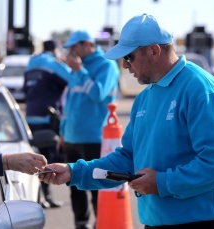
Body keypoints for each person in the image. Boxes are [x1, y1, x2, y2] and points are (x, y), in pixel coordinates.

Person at [40, 14, 214, 229]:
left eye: (129, 57)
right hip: (154, 222)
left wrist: (161, 182)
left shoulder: (201, 89)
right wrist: (74, 172)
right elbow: (128, 157)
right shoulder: (145, 97)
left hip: (205, 223)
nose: (124, 65)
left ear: (154, 50)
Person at [60, 30, 120, 229]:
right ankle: (81, 224)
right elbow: (68, 103)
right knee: (74, 186)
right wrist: (62, 130)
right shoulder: (77, 69)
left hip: (94, 137)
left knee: (96, 185)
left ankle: (100, 224)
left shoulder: (106, 65)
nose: (71, 52)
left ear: (87, 44)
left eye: (74, 47)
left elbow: (97, 94)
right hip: (71, 137)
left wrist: (80, 71)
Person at [23, 40, 71, 208]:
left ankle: (40, 196)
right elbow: (72, 77)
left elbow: (26, 90)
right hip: (47, 117)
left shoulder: (31, 63)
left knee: (36, 156)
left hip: (30, 116)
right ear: (55, 50)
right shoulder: (51, 63)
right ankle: (46, 196)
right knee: (47, 158)